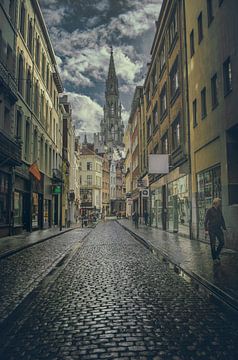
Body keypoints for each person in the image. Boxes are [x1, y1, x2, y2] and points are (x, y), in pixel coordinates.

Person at [204, 198, 226, 263]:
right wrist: (206, 230)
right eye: (219, 202)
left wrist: (224, 227)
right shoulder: (209, 210)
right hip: (211, 229)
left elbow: (222, 219)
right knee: (213, 244)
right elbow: (205, 221)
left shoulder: (219, 210)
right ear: (216, 203)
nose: (220, 204)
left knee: (222, 242)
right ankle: (214, 258)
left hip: (218, 229)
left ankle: (216, 254)